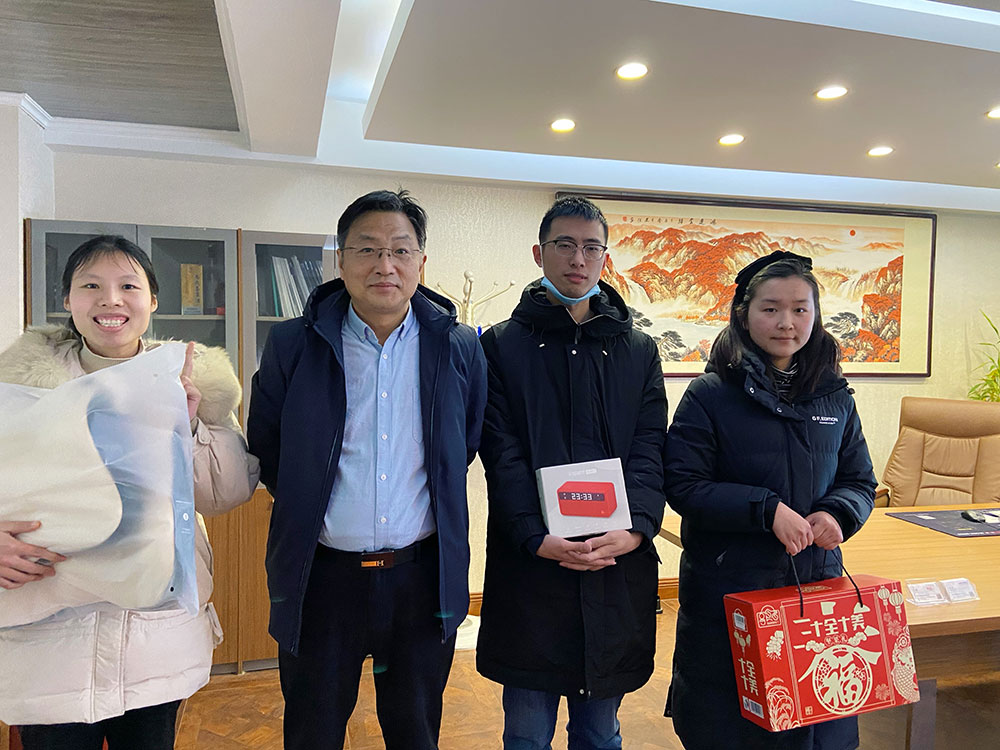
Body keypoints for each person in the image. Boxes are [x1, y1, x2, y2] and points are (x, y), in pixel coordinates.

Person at [247, 189, 487, 750]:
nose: (385, 265)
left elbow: (465, 442)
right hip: (322, 577)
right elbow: (269, 446)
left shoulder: (457, 346)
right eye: (367, 249)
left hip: (420, 579)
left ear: (421, 262)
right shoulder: (293, 343)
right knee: (312, 731)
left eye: (401, 250)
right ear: (340, 259)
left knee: (416, 732)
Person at [0, 235, 258, 750]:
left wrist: (188, 425)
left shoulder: (193, 381)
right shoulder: (16, 387)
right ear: (68, 299)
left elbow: (225, 493)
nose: (110, 300)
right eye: (90, 286)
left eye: (128, 286)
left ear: (153, 300)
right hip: (48, 637)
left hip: (153, 634)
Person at [663, 251, 877, 750]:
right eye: (771, 308)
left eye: (801, 309)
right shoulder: (710, 395)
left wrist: (838, 513)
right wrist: (766, 510)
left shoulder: (835, 396)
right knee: (732, 725)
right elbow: (684, 485)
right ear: (744, 314)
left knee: (817, 721)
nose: (787, 322)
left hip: (815, 587)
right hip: (731, 589)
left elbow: (860, 481)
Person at [476, 196, 667, 749]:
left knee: (601, 732)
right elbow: (501, 451)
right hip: (533, 562)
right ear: (540, 254)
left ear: (606, 258)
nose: (577, 259)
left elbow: (650, 448)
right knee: (527, 732)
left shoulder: (638, 350)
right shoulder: (500, 346)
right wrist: (533, 535)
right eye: (564, 245)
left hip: (614, 559)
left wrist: (637, 529)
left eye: (590, 247)